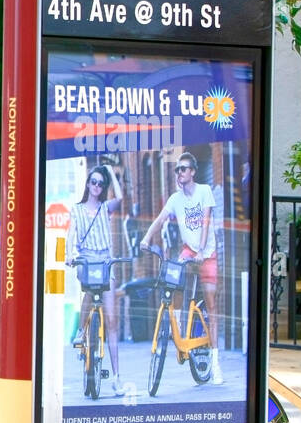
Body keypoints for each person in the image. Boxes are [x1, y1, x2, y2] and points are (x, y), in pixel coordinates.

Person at [139, 150, 223, 384]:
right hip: (188, 250)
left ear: (193, 172)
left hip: (207, 253)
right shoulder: (176, 199)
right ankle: (176, 327)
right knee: (173, 280)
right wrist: (146, 238)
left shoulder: (204, 191)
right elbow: (159, 219)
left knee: (211, 303)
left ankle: (215, 363)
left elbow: (205, 223)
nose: (179, 173)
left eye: (183, 169)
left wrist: (201, 251)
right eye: (177, 169)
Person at [67, 164, 124, 387]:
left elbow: (120, 197)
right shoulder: (78, 209)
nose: (97, 186)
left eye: (101, 183)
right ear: (88, 184)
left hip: (105, 260)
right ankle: (81, 330)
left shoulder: (105, 207)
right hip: (87, 259)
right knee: (89, 293)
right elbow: (72, 234)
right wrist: (71, 254)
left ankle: (117, 377)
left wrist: (110, 171)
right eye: (94, 182)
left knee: (111, 320)